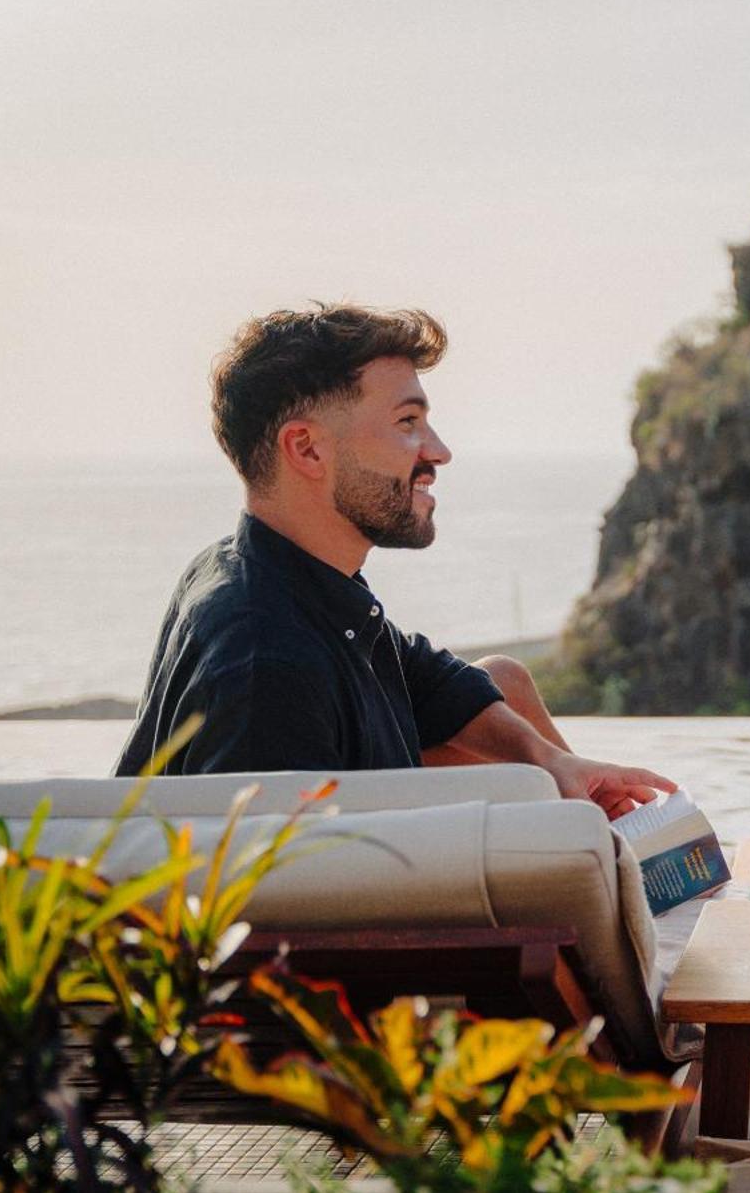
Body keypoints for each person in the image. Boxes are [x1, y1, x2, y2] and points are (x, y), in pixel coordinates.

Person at [115, 304, 676, 818]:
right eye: (407, 423)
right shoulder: (267, 663)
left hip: (345, 845)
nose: (438, 451)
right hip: (323, 909)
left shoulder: (282, 575)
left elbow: (427, 679)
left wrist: (551, 761)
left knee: (504, 682)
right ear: (307, 449)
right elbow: (276, 904)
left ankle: (606, 848)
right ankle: (605, 866)